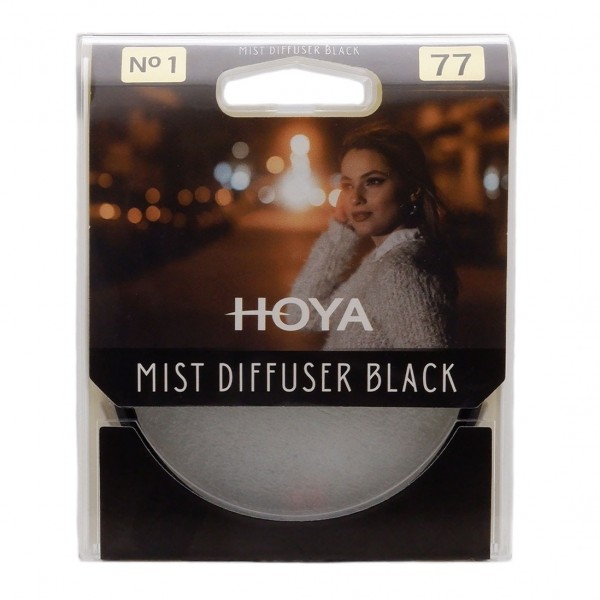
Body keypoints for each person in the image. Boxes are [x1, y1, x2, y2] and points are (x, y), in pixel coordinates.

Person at [291, 123, 457, 349]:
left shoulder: (399, 272)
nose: (355, 197)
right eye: (348, 185)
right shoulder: (383, 261)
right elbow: (303, 315)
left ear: (412, 190)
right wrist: (341, 229)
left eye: (373, 181)